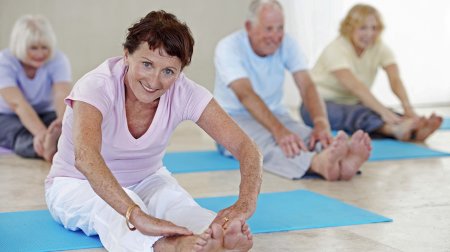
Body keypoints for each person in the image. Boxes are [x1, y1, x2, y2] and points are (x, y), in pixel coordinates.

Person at [45, 10, 261, 251]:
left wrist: (245, 203)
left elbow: (246, 147)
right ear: (126, 55)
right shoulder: (96, 85)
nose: (155, 81)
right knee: (116, 211)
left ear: (179, 72)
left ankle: (219, 240)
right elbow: (85, 158)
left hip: (147, 178)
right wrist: (135, 214)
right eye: (147, 64)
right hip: (76, 183)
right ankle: (175, 248)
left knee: (177, 205)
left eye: (168, 71)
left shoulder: (184, 91)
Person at [214, 0, 371, 181]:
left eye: (280, 28)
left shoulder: (287, 43)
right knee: (263, 144)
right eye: (269, 29)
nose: (275, 36)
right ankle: (318, 164)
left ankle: (341, 162)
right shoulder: (228, 47)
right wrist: (279, 131)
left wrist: (321, 124)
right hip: (232, 119)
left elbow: (307, 85)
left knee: (305, 136)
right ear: (249, 27)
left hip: (275, 113)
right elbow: (245, 94)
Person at [301, 4, 442, 142]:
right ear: (349, 28)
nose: (369, 34)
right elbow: (356, 87)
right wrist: (384, 112)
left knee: (382, 112)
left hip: (353, 102)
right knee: (359, 113)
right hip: (315, 106)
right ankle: (395, 130)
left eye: (374, 28)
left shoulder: (379, 47)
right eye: (363, 28)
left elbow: (395, 79)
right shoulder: (336, 49)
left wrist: (407, 109)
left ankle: (412, 128)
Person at [0, 15, 72, 162]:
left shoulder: (58, 60)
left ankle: (57, 146)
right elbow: (18, 104)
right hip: (7, 115)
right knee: (21, 137)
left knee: (67, 130)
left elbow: (61, 94)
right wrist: (41, 133)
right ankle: (48, 149)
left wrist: (61, 122)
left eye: (44, 47)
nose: (40, 54)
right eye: (33, 48)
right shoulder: (5, 61)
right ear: (20, 46)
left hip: (44, 112)